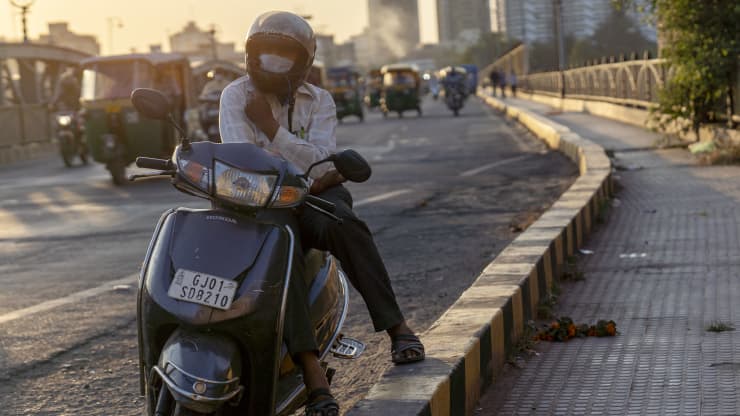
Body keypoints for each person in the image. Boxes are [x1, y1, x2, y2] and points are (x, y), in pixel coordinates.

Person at [219, 11, 425, 415]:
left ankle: (398, 327)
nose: (273, 60)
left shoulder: (321, 101)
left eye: (284, 53)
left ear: (304, 64)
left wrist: (273, 132)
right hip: (261, 202)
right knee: (279, 250)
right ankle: (313, 375)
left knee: (347, 225)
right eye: (265, 51)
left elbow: (322, 158)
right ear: (250, 55)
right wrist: (302, 168)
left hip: (313, 197)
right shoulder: (234, 96)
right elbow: (244, 160)